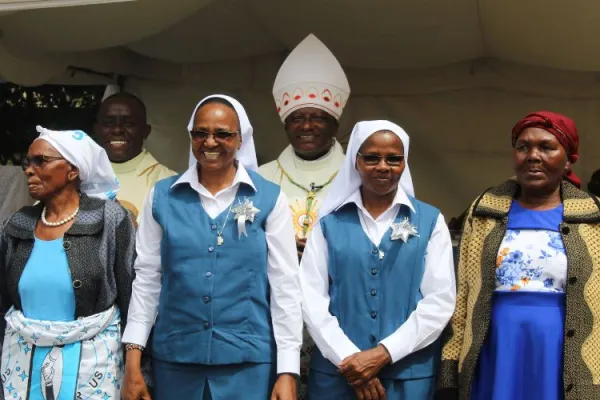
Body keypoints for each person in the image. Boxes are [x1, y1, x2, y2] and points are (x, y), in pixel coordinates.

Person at [121, 94, 303, 400]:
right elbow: (148, 279)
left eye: (223, 134)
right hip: (176, 361)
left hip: (247, 365)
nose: (210, 142)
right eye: (201, 133)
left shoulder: (270, 199)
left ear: (240, 140)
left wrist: (287, 371)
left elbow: (285, 287)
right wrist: (133, 358)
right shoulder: (162, 197)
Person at [437, 111, 600, 400]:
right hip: (496, 344)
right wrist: (450, 369)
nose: (533, 156)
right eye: (523, 147)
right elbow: (462, 296)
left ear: (569, 160)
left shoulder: (592, 216)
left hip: (561, 347)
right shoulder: (486, 209)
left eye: (547, 147)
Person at [301, 120, 456, 400]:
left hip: (407, 379)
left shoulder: (431, 221)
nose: (383, 166)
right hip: (337, 378)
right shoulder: (328, 224)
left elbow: (440, 301)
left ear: (404, 163)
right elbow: (311, 300)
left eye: (393, 159)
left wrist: (384, 353)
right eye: (371, 157)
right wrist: (351, 361)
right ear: (355, 162)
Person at [0, 126, 135, 400]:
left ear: (73, 170)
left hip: (92, 368)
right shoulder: (17, 224)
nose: (29, 169)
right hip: (22, 366)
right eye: (28, 162)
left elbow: (133, 298)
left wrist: (139, 368)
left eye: (41, 161)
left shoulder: (111, 219)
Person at [259, 33, 350, 398]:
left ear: (335, 124)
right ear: (285, 123)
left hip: (339, 314)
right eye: (298, 117)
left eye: (318, 117)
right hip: (273, 313)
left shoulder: (361, 177)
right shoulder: (260, 178)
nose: (307, 126)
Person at [94, 92, 176, 221]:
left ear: (146, 131)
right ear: (97, 130)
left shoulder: (169, 183)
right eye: (108, 123)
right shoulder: (79, 177)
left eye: (128, 123)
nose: (117, 130)